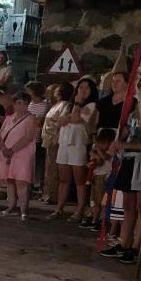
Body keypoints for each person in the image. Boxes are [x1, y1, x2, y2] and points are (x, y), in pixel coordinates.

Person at [99, 104, 141, 265]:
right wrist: (121, 140)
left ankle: (136, 246)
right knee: (128, 205)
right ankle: (123, 242)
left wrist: (127, 145)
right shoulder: (133, 115)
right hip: (129, 160)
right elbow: (128, 135)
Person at [51, 77, 97, 224]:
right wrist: (72, 113)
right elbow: (60, 121)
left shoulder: (92, 105)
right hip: (64, 143)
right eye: (80, 87)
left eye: (86, 88)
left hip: (79, 144)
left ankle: (79, 210)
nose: (82, 90)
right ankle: (59, 208)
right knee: (64, 178)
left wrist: (75, 107)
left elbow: (78, 119)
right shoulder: (69, 104)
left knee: (79, 180)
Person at [0, 91, 38, 221]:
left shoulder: (31, 118)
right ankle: (11, 206)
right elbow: (0, 135)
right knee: (10, 180)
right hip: (7, 153)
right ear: (14, 104)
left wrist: (12, 150)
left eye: (25, 103)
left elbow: (29, 137)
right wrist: (3, 148)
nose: (22, 106)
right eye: (19, 103)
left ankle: (24, 210)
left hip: (22, 153)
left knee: (21, 181)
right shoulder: (8, 118)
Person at [87, 128, 117, 230]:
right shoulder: (96, 151)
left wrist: (96, 148)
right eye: (100, 143)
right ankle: (94, 219)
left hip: (104, 177)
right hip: (95, 177)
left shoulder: (111, 152)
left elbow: (104, 157)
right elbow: (92, 157)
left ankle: (102, 221)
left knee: (102, 201)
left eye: (104, 143)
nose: (101, 145)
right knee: (94, 200)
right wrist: (95, 153)